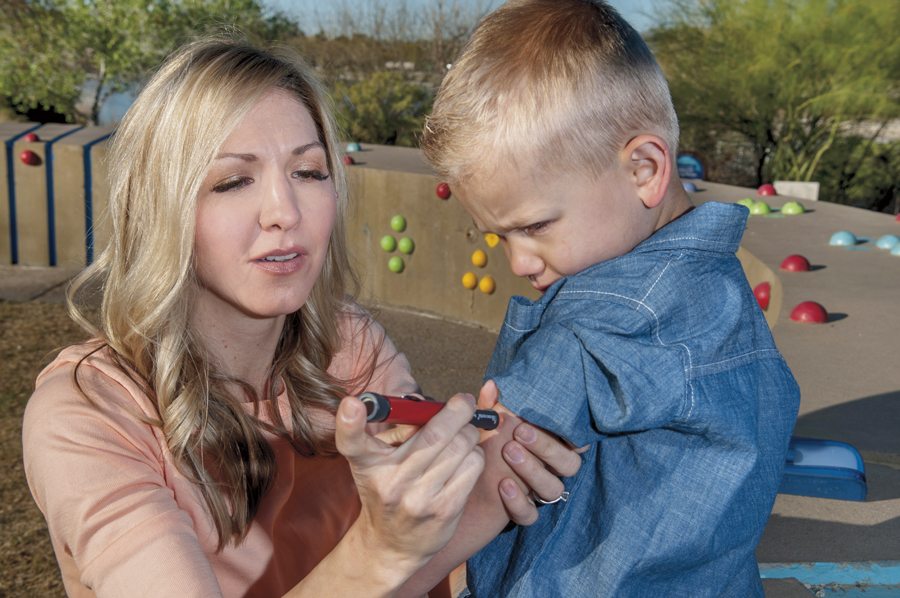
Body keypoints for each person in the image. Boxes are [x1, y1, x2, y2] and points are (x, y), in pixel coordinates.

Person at [21, 37, 581, 597]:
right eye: (234, 181)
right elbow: (395, 561)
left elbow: (418, 572)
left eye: (309, 172)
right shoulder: (86, 417)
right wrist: (383, 548)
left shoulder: (349, 344)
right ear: (156, 207)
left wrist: (500, 475)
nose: (284, 213)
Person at [421, 1, 801, 595]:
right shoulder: (717, 287)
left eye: (536, 227)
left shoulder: (593, 333)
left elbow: (477, 500)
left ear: (645, 169)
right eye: (500, 236)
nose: (518, 262)